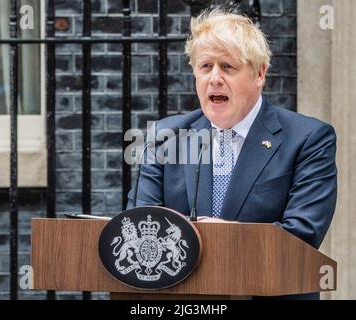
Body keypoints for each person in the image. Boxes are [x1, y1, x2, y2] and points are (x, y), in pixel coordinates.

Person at [127, 9, 337, 300]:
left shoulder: (309, 139)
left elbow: (302, 235)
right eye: (205, 66)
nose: (214, 78)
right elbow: (139, 225)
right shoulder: (165, 138)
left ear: (260, 73)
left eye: (227, 67)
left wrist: (228, 236)